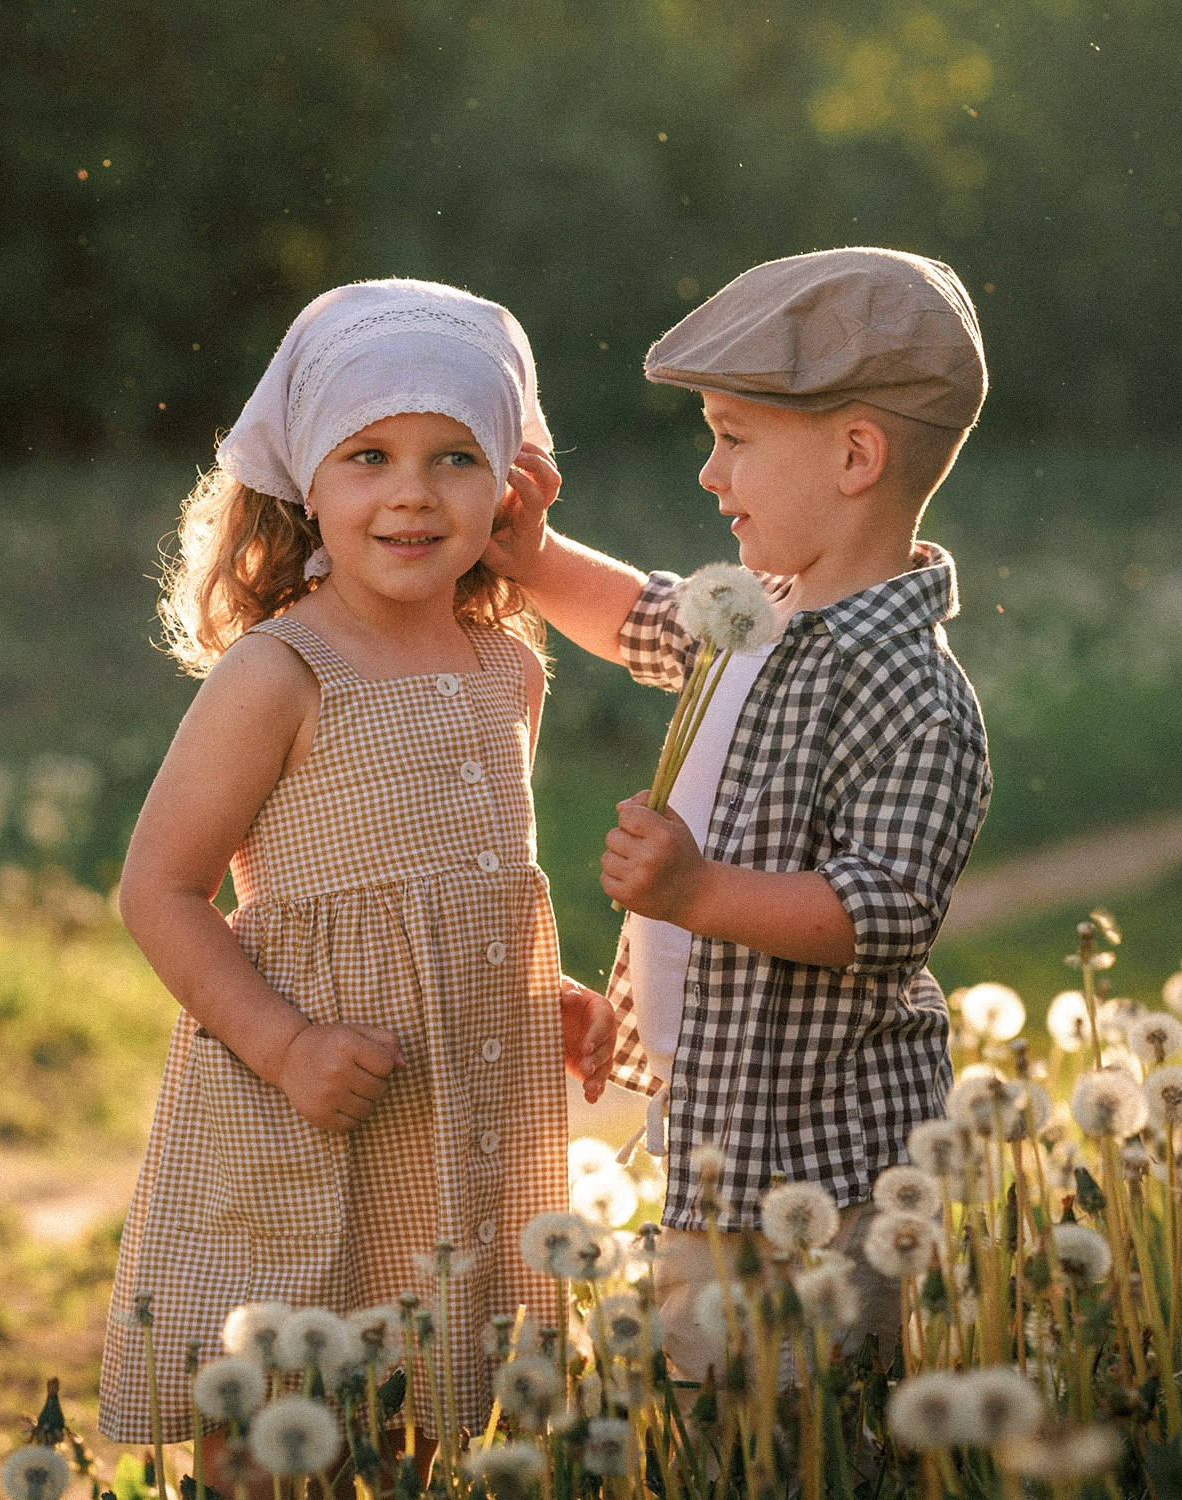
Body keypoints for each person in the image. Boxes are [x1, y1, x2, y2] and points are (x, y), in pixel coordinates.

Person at [98, 279, 617, 1471]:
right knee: (279, 1415)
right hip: (305, 1101)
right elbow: (159, 890)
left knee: (427, 1415)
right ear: (305, 486)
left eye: (454, 458)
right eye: (370, 454)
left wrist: (549, 998)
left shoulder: (507, 673)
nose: (412, 492)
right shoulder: (279, 674)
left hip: (455, 1117)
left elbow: (473, 884)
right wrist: (282, 1043)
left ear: (510, 487)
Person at [486, 246, 992, 1381]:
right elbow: (642, 620)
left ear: (857, 456)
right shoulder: (757, 612)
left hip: (822, 1167)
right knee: (709, 1400)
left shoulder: (909, 686)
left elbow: (885, 912)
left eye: (736, 439)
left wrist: (697, 893)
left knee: (805, 1420)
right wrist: (536, 557)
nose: (711, 476)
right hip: (717, 1131)